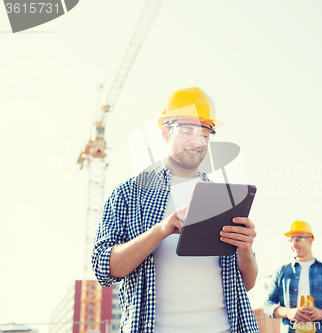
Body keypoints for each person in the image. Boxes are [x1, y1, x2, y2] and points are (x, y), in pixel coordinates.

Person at [92, 87, 260, 333]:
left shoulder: (224, 199)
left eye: (204, 132)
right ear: (165, 133)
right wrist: (162, 229)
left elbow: (246, 284)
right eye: (188, 130)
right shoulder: (128, 193)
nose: (197, 140)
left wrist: (245, 250)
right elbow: (104, 268)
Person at [264, 220, 322, 333]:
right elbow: (267, 304)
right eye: (291, 240)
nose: (293, 244)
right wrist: (288, 312)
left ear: (310, 239)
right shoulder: (281, 272)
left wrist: (321, 313)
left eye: (298, 240)